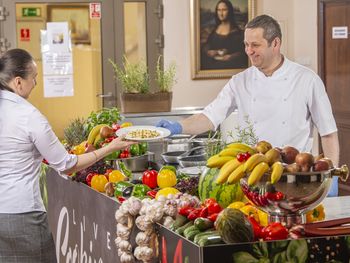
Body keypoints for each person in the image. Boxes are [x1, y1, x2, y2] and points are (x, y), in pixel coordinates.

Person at [157, 15, 340, 196]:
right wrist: (178, 126)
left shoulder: (307, 80)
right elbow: (210, 117)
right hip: (254, 177)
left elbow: (328, 133)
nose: (248, 51)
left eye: (255, 45)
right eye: (246, 44)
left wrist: (331, 176)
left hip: (296, 178)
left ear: (275, 43)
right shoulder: (240, 81)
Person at [0, 48, 135, 262]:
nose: (35, 84)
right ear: (18, 82)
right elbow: (66, 164)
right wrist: (110, 148)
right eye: (33, 78)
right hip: (22, 215)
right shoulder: (29, 116)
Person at [201, 0, 247, 70]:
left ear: (230, 11)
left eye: (224, 10)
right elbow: (207, 45)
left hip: (230, 67)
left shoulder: (237, 32)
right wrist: (209, 51)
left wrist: (232, 56)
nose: (221, 13)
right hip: (213, 67)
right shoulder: (214, 30)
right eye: (219, 10)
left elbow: (244, 53)